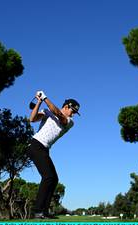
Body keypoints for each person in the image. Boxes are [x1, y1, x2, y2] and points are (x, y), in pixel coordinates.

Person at [27, 90, 80, 219]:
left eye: (74, 112)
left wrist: (45, 98)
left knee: (53, 179)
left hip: (44, 149)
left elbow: (58, 113)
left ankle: (44, 211)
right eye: (72, 110)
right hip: (36, 145)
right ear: (66, 106)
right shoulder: (47, 112)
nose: (73, 114)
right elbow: (32, 119)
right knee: (48, 177)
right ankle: (38, 210)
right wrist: (39, 102)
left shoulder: (69, 121)